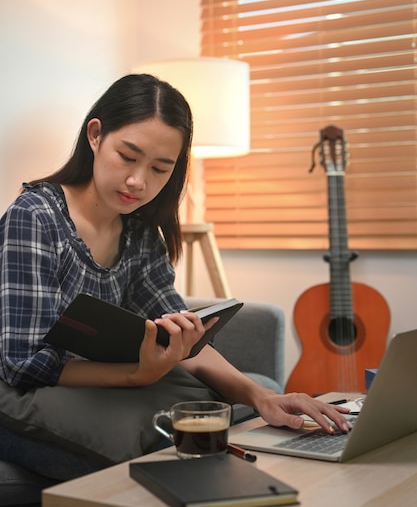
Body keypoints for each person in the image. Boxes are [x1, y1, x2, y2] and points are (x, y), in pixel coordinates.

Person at [0, 73, 351, 480]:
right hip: (19, 386)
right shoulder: (36, 217)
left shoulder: (139, 229)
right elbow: (22, 365)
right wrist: (136, 375)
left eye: (159, 169)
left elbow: (182, 337)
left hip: (94, 379)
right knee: (168, 443)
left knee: (223, 415)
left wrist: (264, 396)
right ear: (95, 135)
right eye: (128, 157)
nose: (138, 182)